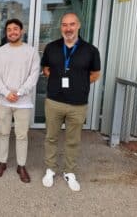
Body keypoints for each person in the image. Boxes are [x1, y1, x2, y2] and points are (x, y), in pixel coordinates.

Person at [41, 12, 100, 192]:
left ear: (78, 26)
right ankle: (50, 169)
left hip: (78, 104)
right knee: (51, 137)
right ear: (61, 28)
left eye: (72, 24)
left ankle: (69, 171)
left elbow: (95, 74)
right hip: (54, 102)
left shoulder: (90, 50)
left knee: (73, 140)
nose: (68, 28)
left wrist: (78, 84)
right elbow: (46, 69)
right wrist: (59, 81)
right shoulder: (51, 47)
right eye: (65, 25)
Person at [0, 18, 40, 183]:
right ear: (6, 33)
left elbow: (33, 76)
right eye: (9, 30)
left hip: (23, 102)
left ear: (21, 31)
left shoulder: (31, 52)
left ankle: (21, 165)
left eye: (15, 29)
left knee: (22, 135)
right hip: (3, 101)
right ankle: (2, 162)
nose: (12, 32)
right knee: (3, 133)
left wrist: (19, 92)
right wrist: (6, 93)